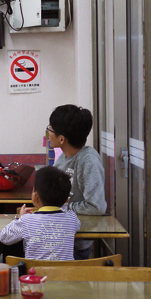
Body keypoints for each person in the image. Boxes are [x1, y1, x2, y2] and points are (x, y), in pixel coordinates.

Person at [46, 104, 108, 259]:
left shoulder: (88, 161)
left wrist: (63, 207)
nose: (48, 132)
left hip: (76, 243)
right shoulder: (64, 156)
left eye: (50, 128)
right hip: (59, 237)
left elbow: (96, 207)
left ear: (61, 139)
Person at [0, 166, 80, 260]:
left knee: (1, 260)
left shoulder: (27, 221)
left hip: (35, 269)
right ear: (66, 200)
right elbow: (77, 225)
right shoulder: (72, 218)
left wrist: (19, 218)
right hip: (65, 270)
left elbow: (4, 237)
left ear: (35, 197)